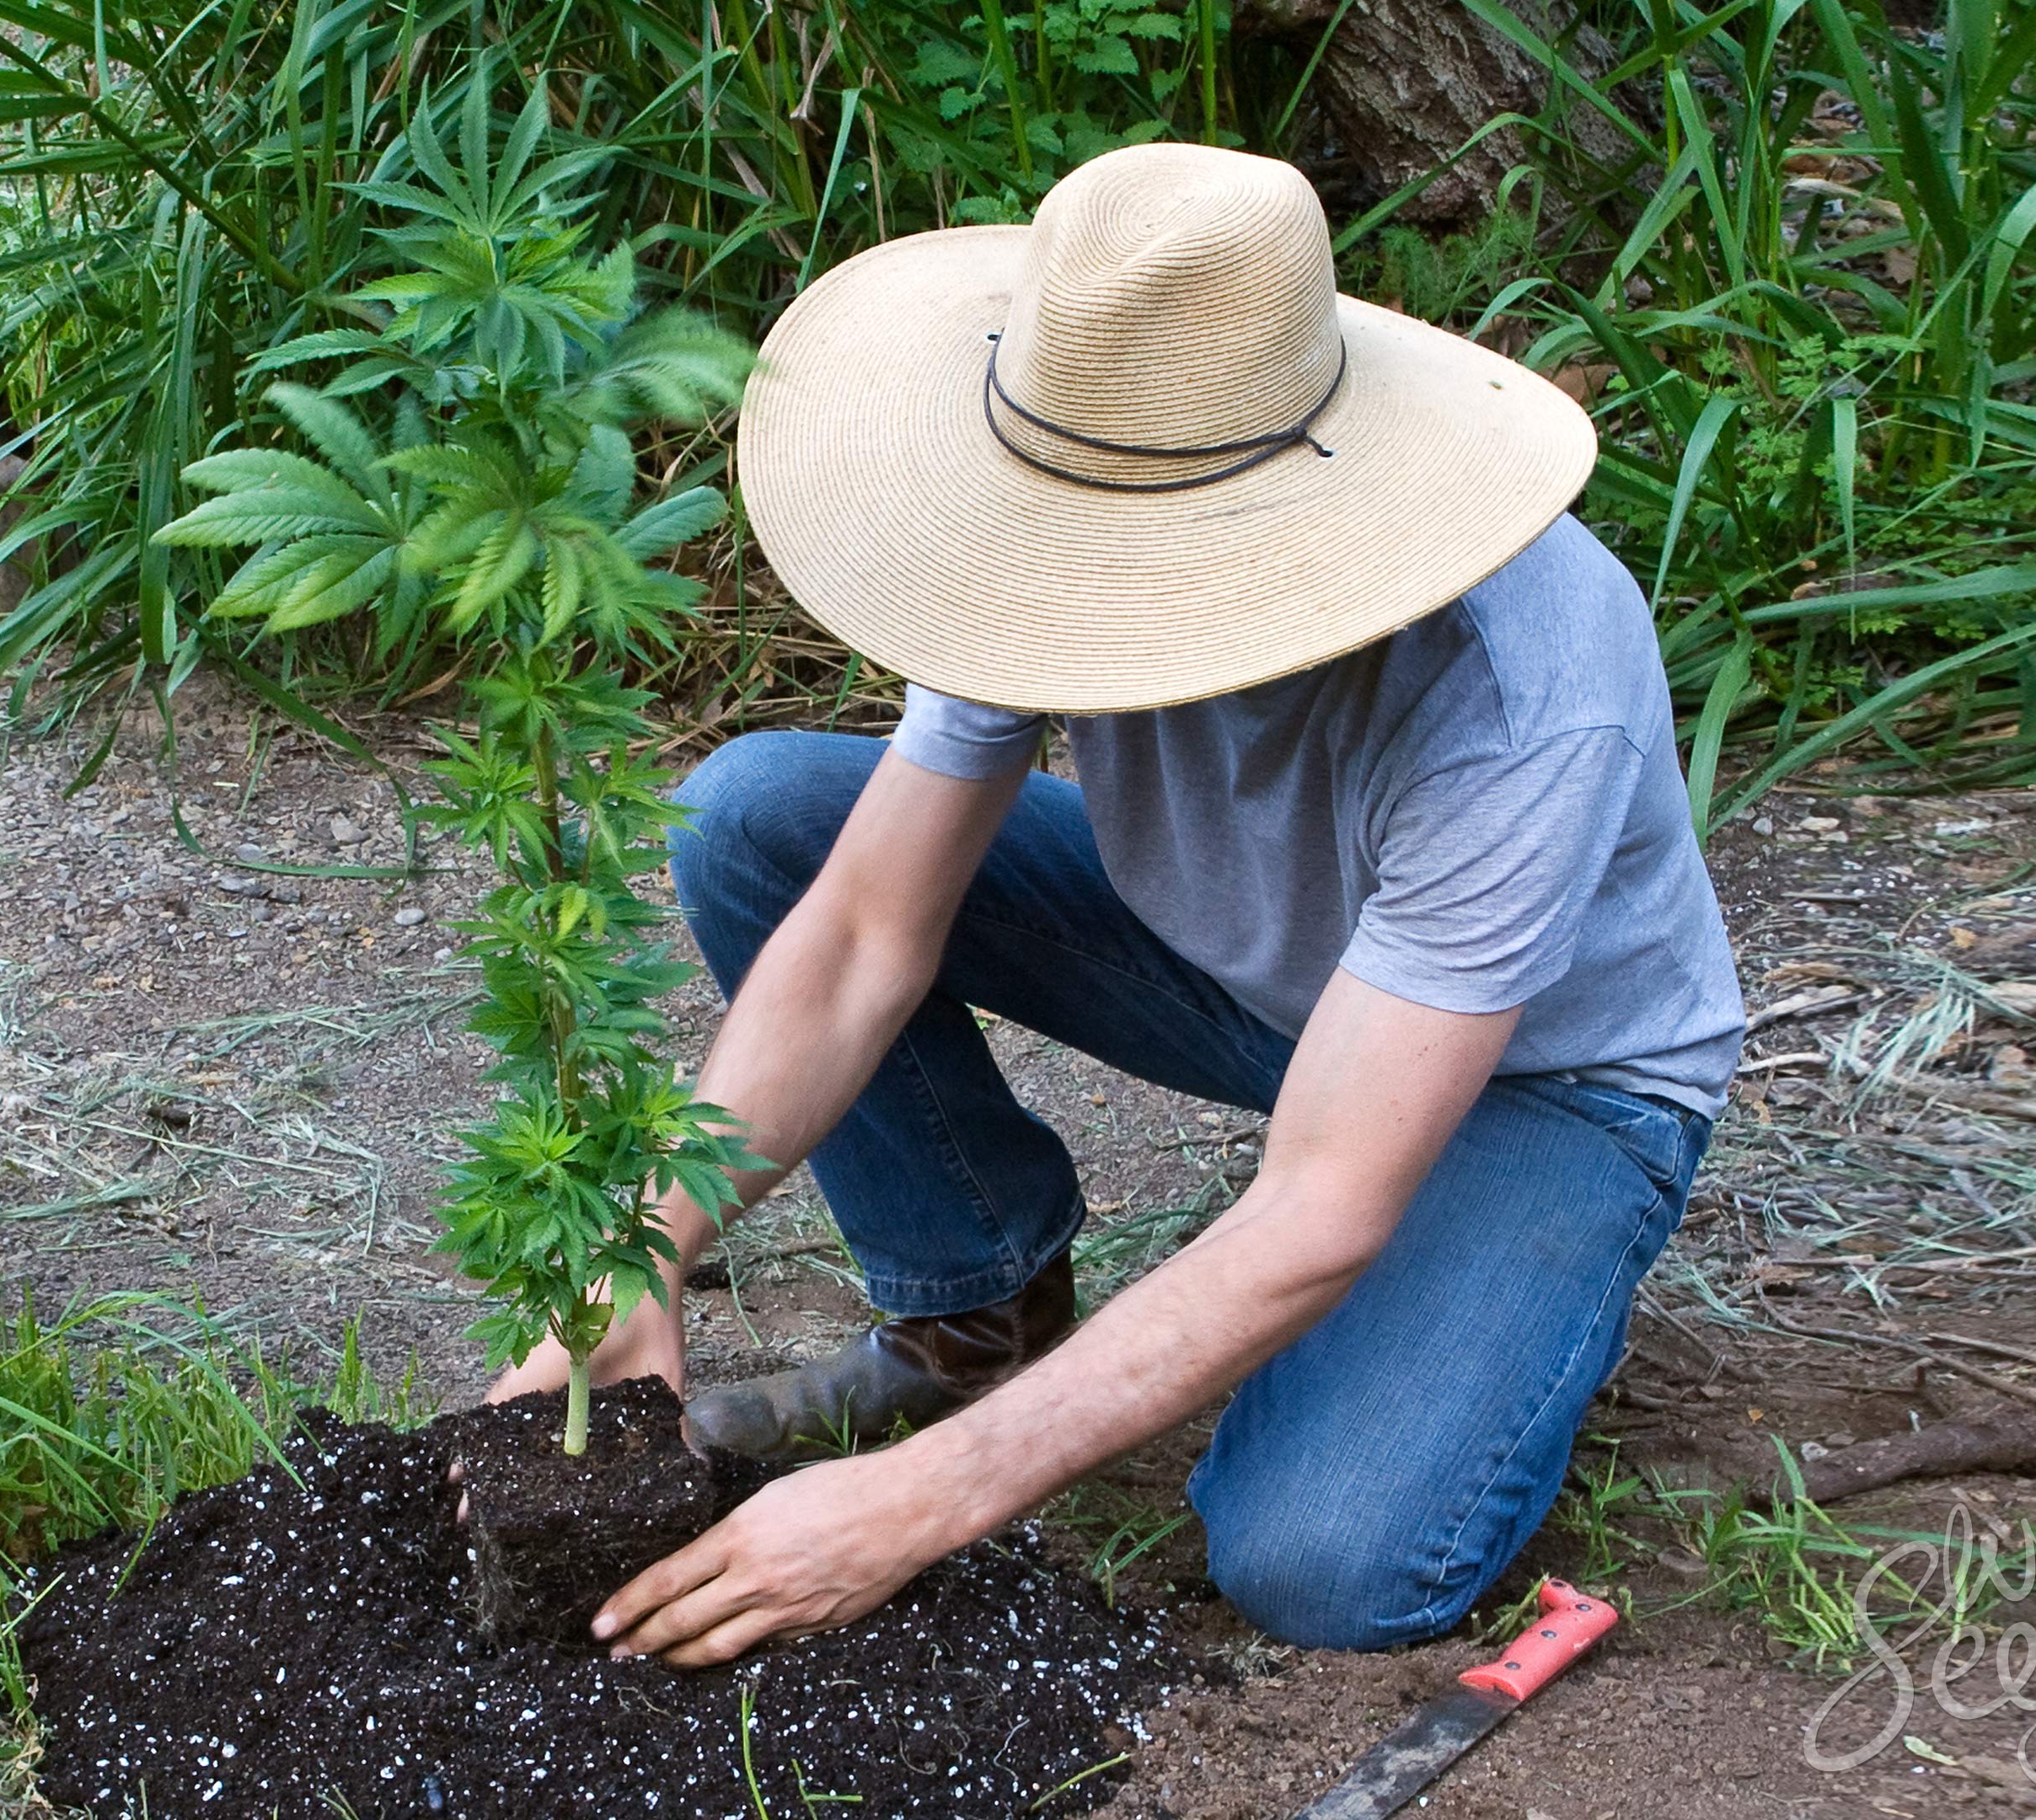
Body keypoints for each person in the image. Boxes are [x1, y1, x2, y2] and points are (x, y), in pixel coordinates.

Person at [476, 142, 1746, 1667]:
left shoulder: (1521, 686)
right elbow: (867, 931)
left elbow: (1324, 1197)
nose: (1079, 585)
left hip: (1541, 1074)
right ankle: (975, 1312)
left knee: (1324, 1562)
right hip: (1249, 975)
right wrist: (644, 1245)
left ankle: (1511, 1298)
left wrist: (916, 1502)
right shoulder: (1066, 482)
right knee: (764, 824)